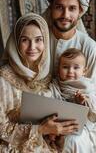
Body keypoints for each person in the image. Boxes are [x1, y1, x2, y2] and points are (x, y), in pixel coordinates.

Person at [43, 0, 96, 152]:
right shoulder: (38, 41)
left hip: (79, 123)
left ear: (80, 12)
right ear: (51, 8)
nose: (65, 15)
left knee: (73, 142)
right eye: (59, 7)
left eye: (72, 9)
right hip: (42, 117)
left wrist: (82, 102)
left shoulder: (90, 48)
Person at [0, 13, 77, 152]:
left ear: (45, 42)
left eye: (38, 40)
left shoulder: (47, 76)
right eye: (25, 40)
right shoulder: (3, 79)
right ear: (16, 42)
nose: (32, 46)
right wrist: (40, 129)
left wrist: (56, 131)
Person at [49, 48, 96, 152]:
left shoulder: (86, 87)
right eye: (65, 67)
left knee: (74, 141)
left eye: (76, 67)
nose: (70, 71)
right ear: (58, 69)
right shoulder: (55, 85)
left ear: (84, 71)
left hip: (81, 125)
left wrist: (81, 103)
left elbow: (94, 110)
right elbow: (52, 103)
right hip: (59, 123)